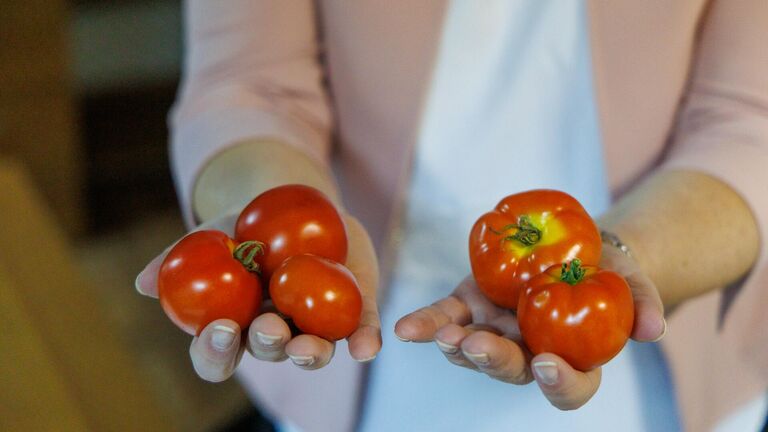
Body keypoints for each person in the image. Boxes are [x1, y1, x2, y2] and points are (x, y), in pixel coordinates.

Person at [135, 1, 768, 431]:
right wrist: (269, 214)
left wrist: (633, 253)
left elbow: (748, 122)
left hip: (676, 366)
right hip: (362, 345)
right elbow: (249, 85)